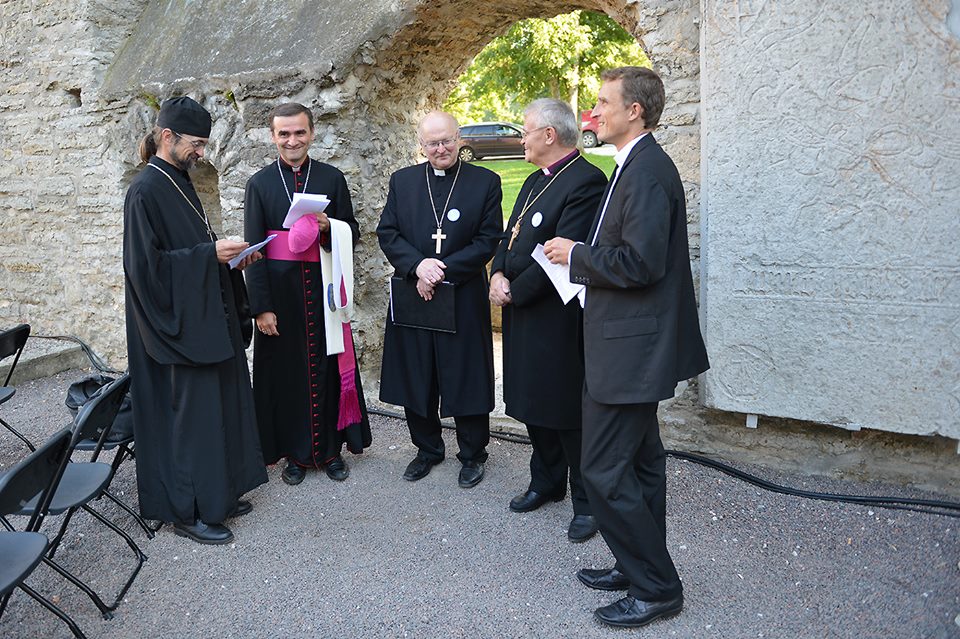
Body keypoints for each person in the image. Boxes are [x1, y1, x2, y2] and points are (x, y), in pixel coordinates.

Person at [544, 67, 710, 627]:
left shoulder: (647, 171)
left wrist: (577, 255)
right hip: (623, 345)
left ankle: (657, 588)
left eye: (602, 102)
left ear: (634, 111)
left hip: (630, 351)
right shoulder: (633, 164)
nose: (593, 112)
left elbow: (642, 263)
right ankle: (636, 564)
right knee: (641, 465)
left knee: (603, 470)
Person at [123, 96, 267, 545]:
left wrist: (230, 261)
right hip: (174, 327)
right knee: (190, 420)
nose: (201, 153)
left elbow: (191, 246)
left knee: (217, 408)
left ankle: (217, 494)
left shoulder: (179, 179)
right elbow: (145, 270)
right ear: (167, 136)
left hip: (202, 315)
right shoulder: (144, 190)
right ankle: (186, 511)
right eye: (196, 144)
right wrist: (209, 256)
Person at [489, 98, 606, 542]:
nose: (522, 139)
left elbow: (562, 256)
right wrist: (497, 273)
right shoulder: (535, 178)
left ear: (549, 135)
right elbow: (511, 234)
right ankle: (546, 480)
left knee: (565, 409)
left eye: (526, 131)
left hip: (556, 317)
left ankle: (587, 502)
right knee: (533, 401)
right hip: (522, 311)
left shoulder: (586, 181)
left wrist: (515, 291)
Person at [244, 103, 371, 486]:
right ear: (273, 136)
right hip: (281, 298)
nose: (292, 140)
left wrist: (329, 226)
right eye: (284, 133)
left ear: (312, 133)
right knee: (287, 377)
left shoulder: (332, 177)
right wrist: (261, 308)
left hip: (324, 291)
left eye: (299, 132)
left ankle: (330, 451)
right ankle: (295, 455)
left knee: (329, 370)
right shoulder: (259, 184)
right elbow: (254, 250)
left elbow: (352, 231)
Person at [377, 111, 502, 488]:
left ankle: (473, 453)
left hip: (462, 294)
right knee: (416, 373)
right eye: (432, 143)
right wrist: (418, 266)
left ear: (459, 139)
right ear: (421, 145)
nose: (441, 149)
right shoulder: (403, 181)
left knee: (465, 374)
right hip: (414, 291)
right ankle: (427, 449)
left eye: (447, 140)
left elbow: (488, 239)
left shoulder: (485, 182)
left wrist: (440, 270)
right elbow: (388, 232)